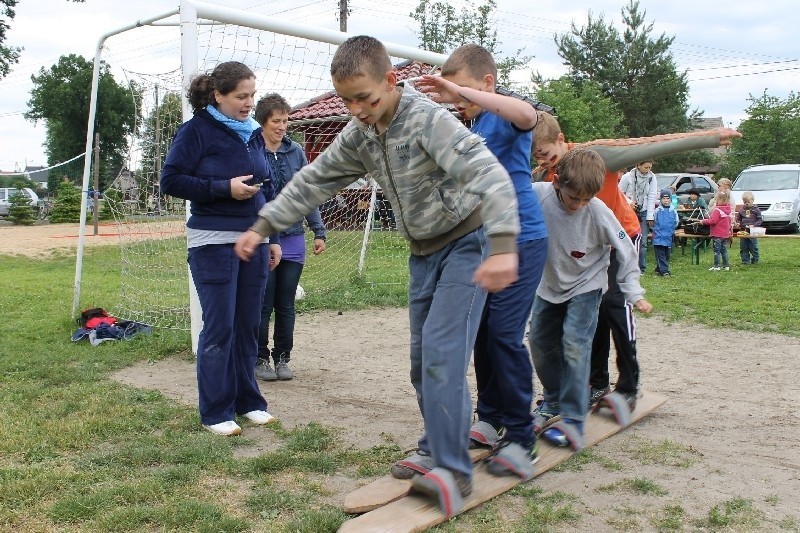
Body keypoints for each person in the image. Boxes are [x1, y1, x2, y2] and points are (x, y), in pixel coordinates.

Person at [233, 35, 520, 518]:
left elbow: (488, 174)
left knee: (442, 356)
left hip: (468, 244)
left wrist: (504, 246)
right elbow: (313, 180)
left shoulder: (428, 119)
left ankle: (452, 471)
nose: (356, 109)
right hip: (423, 253)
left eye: (364, 97)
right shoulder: (359, 133)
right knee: (419, 361)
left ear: (391, 81)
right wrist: (264, 224)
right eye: (346, 100)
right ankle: (437, 446)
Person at [531, 114, 741, 410]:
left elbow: (648, 147)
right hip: (589, 250)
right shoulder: (548, 176)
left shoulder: (597, 155)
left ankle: (628, 386)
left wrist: (708, 138)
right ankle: (597, 382)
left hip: (620, 236)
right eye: (536, 155)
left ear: (561, 138)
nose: (542, 159)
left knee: (615, 306)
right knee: (593, 313)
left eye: (544, 151)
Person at [416, 43, 547, 480]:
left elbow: (528, 115)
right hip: (478, 242)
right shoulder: (467, 123)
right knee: (480, 335)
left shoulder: (508, 114)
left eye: (466, 92)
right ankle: (490, 418)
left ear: (488, 84)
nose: (461, 102)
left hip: (522, 240)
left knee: (505, 336)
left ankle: (522, 437)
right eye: (456, 96)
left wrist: (463, 93)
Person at [160, 61, 279, 436]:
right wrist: (222, 188)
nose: (248, 103)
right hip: (212, 243)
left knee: (248, 326)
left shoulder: (255, 135)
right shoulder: (195, 131)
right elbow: (171, 180)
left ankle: (250, 402)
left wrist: (272, 236)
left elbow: (269, 188)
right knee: (220, 328)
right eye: (241, 96)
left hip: (254, 242)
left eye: (252, 96)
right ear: (218, 95)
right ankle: (216, 411)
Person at [529, 148, 652, 450]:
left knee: (574, 344)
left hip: (587, 285)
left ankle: (573, 419)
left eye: (587, 199)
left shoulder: (598, 212)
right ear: (557, 182)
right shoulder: (537, 194)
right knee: (540, 343)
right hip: (548, 284)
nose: (580, 205)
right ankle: (554, 399)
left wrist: (632, 291)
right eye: (574, 198)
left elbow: (626, 253)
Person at [254, 94, 327, 382]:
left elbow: (306, 193)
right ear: (263, 122)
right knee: (263, 303)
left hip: (294, 237)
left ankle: (283, 357)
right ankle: (259, 358)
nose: (282, 126)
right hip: (263, 237)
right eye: (276, 121)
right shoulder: (252, 149)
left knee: (286, 303)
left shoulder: (295, 151)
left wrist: (318, 230)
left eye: (285, 121)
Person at [618, 160, 658, 274]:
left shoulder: (652, 177)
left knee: (643, 241)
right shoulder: (627, 177)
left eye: (650, 167)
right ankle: (627, 268)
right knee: (628, 239)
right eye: (646, 167)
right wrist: (629, 202)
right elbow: (619, 192)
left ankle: (641, 269)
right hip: (630, 211)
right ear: (638, 165)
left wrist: (650, 215)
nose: (648, 170)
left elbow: (651, 196)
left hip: (644, 211)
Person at [700, 189, 733, 271]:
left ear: (721, 200)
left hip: (717, 234)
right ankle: (726, 265)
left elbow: (713, 221)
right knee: (724, 250)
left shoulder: (717, 210)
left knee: (716, 251)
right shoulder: (729, 210)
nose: (715, 201)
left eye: (716, 199)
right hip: (725, 234)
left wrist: (703, 221)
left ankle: (716, 266)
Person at [652, 189, 680, 276]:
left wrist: (671, 230)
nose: (666, 200)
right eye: (664, 198)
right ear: (660, 199)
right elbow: (653, 221)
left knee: (666, 255)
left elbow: (676, 222)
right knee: (660, 254)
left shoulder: (673, 211)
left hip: (668, 236)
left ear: (670, 199)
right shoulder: (657, 211)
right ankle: (665, 271)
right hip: (658, 236)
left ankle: (658, 269)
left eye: (667, 198)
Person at [737, 191, 762, 265]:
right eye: (745, 202)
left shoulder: (756, 210)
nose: (746, 203)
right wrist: (738, 223)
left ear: (752, 200)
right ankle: (745, 261)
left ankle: (755, 259)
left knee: (753, 246)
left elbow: (760, 220)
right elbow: (739, 219)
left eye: (748, 202)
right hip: (743, 231)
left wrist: (754, 225)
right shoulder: (742, 210)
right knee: (744, 247)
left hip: (753, 231)